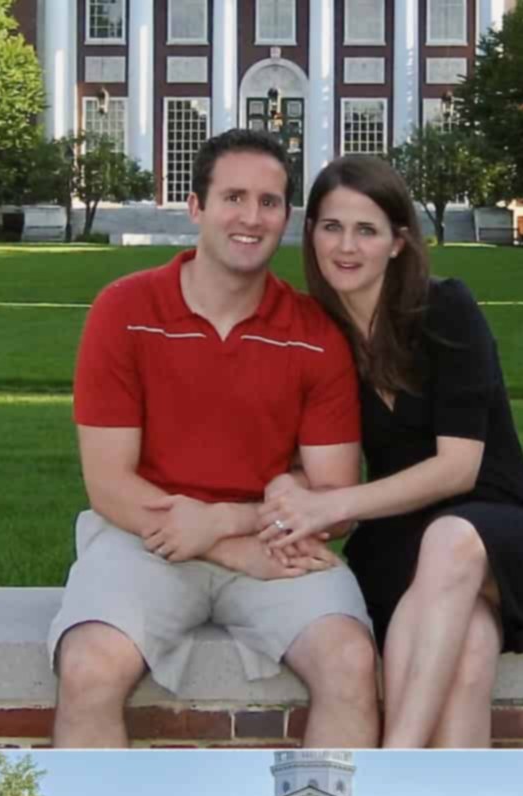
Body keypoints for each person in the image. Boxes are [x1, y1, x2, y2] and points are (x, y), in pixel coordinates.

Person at [50, 128, 378, 749]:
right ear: (196, 207)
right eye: (234, 197)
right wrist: (226, 549)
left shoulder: (316, 333)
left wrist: (226, 522)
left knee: (350, 663)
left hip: (276, 540)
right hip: (141, 538)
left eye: (270, 202)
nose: (251, 218)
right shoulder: (125, 310)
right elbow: (109, 485)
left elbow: (335, 497)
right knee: (89, 667)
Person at [258, 155, 523, 748]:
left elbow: (459, 467)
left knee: (449, 542)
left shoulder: (445, 308)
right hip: (396, 540)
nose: (346, 247)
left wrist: (330, 507)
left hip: (494, 525)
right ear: (312, 232)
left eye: (366, 230)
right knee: (473, 647)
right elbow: (297, 450)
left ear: (398, 242)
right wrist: (292, 487)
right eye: (331, 227)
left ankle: (393, 762)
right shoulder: (317, 331)